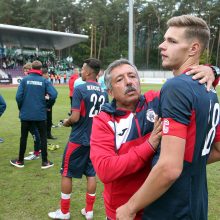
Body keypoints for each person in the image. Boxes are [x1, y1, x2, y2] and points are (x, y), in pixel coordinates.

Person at [116, 15, 220, 220]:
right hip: (196, 204)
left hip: (172, 207)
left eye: (172, 41)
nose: (162, 46)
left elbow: (170, 167)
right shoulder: (209, 89)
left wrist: (130, 207)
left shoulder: (177, 87)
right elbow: (217, 150)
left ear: (193, 48)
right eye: (164, 39)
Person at [90, 59, 162, 219]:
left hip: (159, 207)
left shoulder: (155, 101)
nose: (129, 82)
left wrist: (212, 71)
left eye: (132, 76)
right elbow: (105, 169)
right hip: (124, 212)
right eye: (120, 79)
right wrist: (149, 146)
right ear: (110, 92)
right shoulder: (103, 121)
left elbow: (185, 88)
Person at [48, 58, 109, 220]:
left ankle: (64, 212)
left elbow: (74, 117)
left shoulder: (80, 89)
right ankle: (89, 211)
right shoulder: (103, 92)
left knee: (66, 173)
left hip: (78, 138)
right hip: (95, 140)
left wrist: (66, 122)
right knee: (91, 173)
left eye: (82, 69)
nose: (80, 72)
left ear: (88, 72)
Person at [10, 60, 58, 169]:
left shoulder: (25, 80)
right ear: (40, 69)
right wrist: (47, 105)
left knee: (24, 137)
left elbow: (18, 97)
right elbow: (54, 95)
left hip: (26, 114)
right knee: (43, 137)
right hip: (40, 114)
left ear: (32, 68)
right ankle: (45, 162)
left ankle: (20, 161)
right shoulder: (44, 81)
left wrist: (21, 108)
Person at [22, 62, 42, 160]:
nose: (25, 72)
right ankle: (38, 149)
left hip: (30, 111)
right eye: (24, 70)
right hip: (35, 110)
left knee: (34, 131)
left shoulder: (28, 81)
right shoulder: (27, 80)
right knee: (35, 130)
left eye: (27, 70)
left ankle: (36, 152)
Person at [42, 67, 57, 140]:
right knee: (46, 121)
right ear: (44, 74)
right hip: (45, 104)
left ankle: (47, 135)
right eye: (47, 73)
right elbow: (53, 95)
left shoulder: (46, 81)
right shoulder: (44, 82)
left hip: (45, 104)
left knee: (47, 120)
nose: (48, 74)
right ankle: (45, 136)